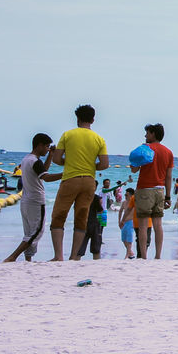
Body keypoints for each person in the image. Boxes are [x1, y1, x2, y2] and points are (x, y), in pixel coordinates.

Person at [49, 104, 110, 261]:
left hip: (70, 179)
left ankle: (58, 256)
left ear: (77, 118)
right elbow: (104, 164)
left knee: (59, 216)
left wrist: (69, 162)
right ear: (93, 120)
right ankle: (74, 256)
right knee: (81, 217)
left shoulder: (67, 135)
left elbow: (56, 159)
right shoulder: (99, 139)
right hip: (89, 181)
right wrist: (90, 165)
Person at [4, 133, 63, 262]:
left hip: (26, 200)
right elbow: (46, 178)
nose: (48, 149)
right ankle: (12, 257)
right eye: (46, 147)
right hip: (36, 200)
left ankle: (28, 259)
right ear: (39, 145)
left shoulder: (27, 159)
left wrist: (51, 155)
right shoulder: (35, 161)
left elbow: (43, 171)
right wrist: (65, 174)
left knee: (29, 232)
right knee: (37, 232)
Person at [132, 123, 174, 259]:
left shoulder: (145, 149)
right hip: (160, 190)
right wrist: (168, 196)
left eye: (147, 133)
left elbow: (134, 169)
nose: (145, 136)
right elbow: (168, 177)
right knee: (158, 224)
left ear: (153, 134)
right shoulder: (168, 152)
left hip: (145, 188)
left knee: (143, 225)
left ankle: (143, 256)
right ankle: (157, 256)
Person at [119, 188, 137, 259]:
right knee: (123, 239)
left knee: (129, 239)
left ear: (131, 195)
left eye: (126, 195)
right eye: (125, 195)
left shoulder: (134, 202)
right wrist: (119, 221)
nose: (125, 196)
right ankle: (131, 253)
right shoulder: (124, 202)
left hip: (131, 222)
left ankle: (127, 255)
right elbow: (120, 211)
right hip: (124, 222)